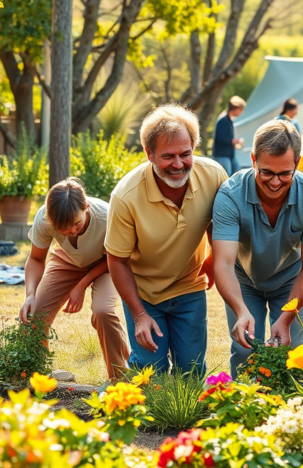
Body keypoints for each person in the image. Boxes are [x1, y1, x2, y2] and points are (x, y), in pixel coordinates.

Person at [106, 103, 228, 375]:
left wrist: (212, 258)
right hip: (144, 293)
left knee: (192, 371)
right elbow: (116, 260)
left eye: (186, 154)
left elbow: (220, 225)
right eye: (168, 156)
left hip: (189, 288)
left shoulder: (214, 176)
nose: (178, 164)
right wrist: (139, 315)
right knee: (152, 374)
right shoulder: (126, 196)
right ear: (149, 154)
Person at [212, 120, 303, 376]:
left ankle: (288, 413)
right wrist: (241, 311)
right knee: (245, 348)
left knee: (291, 350)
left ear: (297, 162)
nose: (275, 182)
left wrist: (287, 318)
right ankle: (245, 408)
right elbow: (222, 263)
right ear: (253, 158)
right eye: (266, 172)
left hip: (291, 280)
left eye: (285, 173)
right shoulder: (230, 195)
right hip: (243, 280)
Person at [19, 177, 129, 381]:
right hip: (68, 257)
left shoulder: (108, 216)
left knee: (102, 311)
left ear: (86, 206)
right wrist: (30, 295)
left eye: (76, 224)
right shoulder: (44, 217)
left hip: (106, 262)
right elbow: (35, 258)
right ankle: (33, 375)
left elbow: (118, 258)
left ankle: (121, 379)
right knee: (35, 313)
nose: (70, 231)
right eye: (63, 229)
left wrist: (81, 285)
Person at [212, 96, 246, 176]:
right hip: (222, 155)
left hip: (230, 154)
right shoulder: (223, 120)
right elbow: (219, 138)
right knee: (225, 176)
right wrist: (232, 141)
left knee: (237, 171)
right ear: (237, 109)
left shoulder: (229, 120)